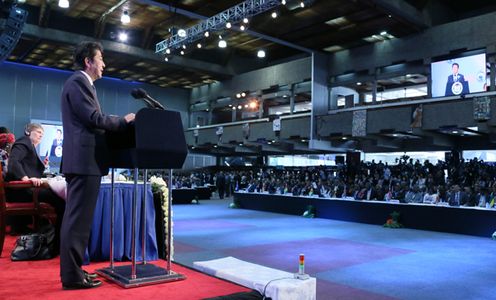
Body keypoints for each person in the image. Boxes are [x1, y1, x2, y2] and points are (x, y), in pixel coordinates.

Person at [59, 41, 135, 290]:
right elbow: (93, 119)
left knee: (78, 222)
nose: (104, 63)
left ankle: (75, 271)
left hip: (83, 163)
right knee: (77, 223)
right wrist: (122, 120)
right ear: (87, 62)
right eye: (100, 58)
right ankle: (72, 277)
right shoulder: (79, 82)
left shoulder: (82, 84)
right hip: (83, 162)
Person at [6, 123, 65, 242]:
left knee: (57, 196)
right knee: (59, 199)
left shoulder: (30, 146)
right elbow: (13, 162)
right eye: (38, 132)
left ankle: (57, 235)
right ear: (28, 132)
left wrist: (42, 165)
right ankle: (59, 237)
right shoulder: (24, 141)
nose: (41, 136)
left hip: (25, 189)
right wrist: (25, 178)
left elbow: (27, 166)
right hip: (21, 191)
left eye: (42, 134)